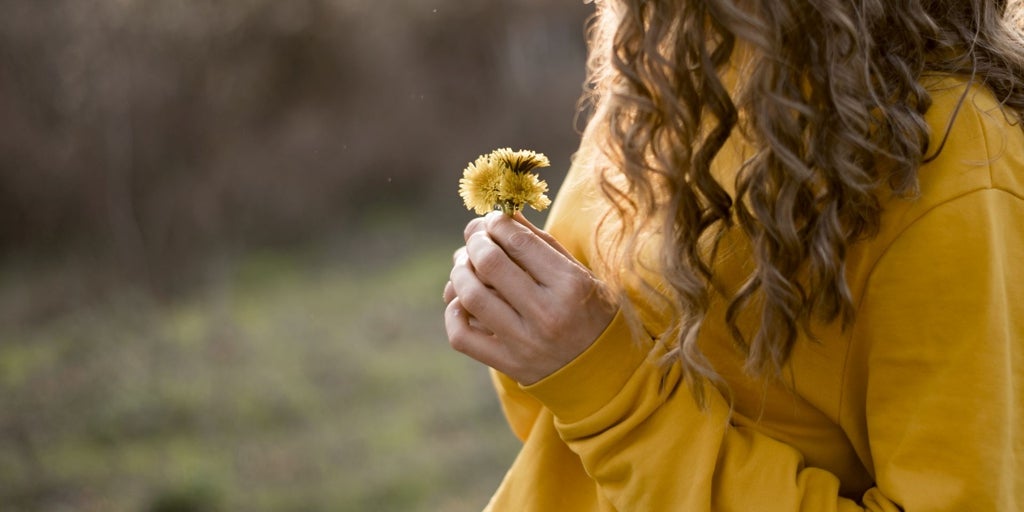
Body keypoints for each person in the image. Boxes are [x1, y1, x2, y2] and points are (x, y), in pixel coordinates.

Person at [443, 0, 1024, 510]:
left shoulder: (948, 163)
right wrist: (525, 325)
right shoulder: (665, 61)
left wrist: (611, 394)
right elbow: (560, 435)